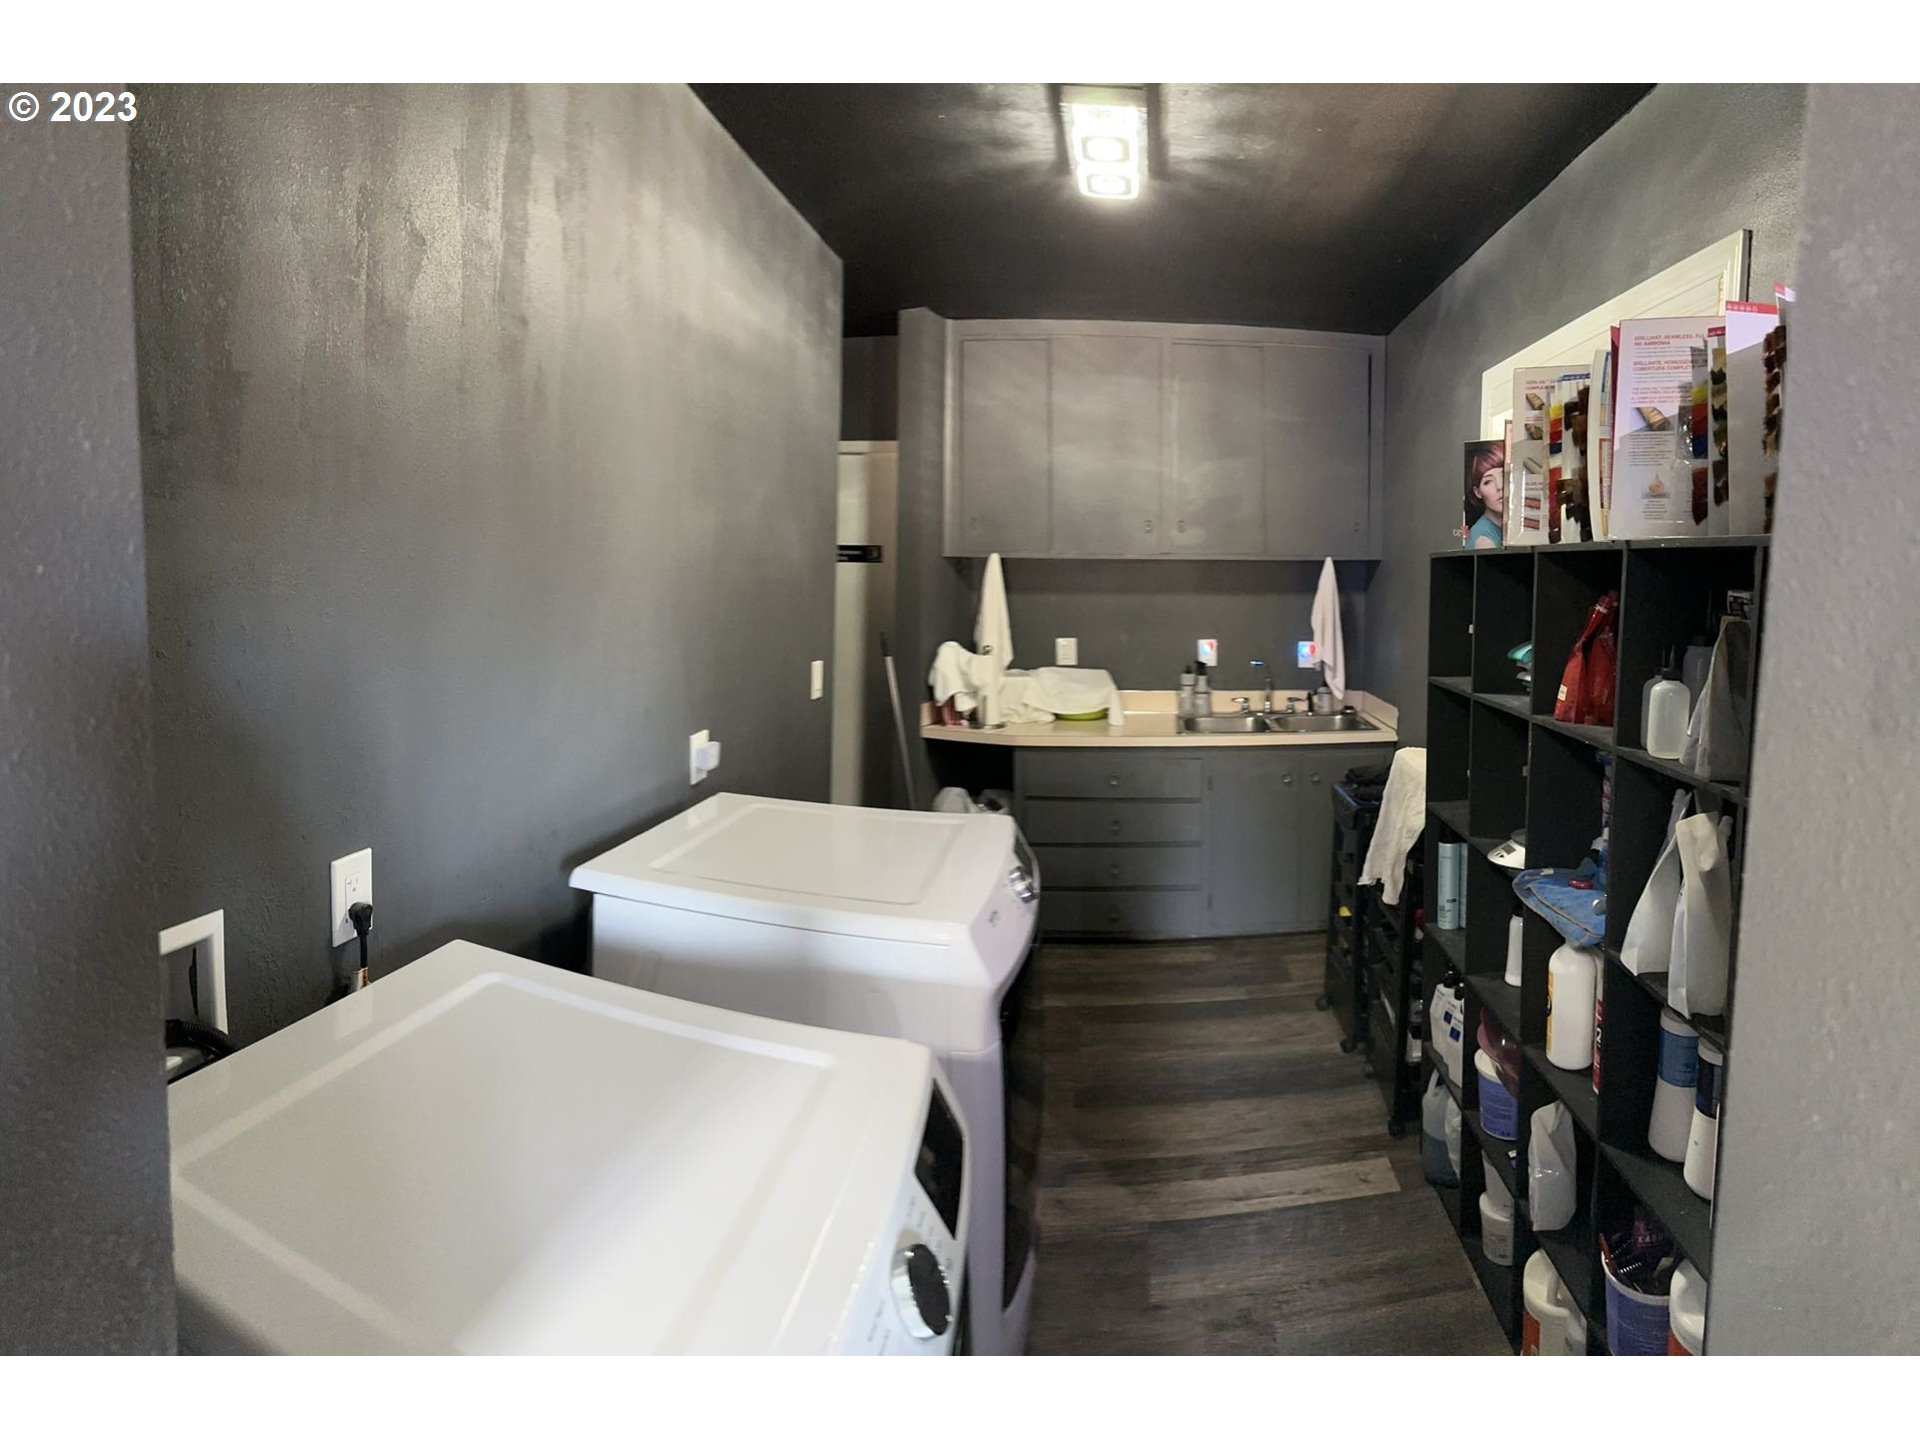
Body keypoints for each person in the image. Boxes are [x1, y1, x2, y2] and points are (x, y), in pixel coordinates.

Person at [1464, 443, 1506, 549]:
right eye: (1488, 482)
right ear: (1477, 492)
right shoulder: (1483, 540)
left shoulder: (1502, 528)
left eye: (1504, 476)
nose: (1500, 486)